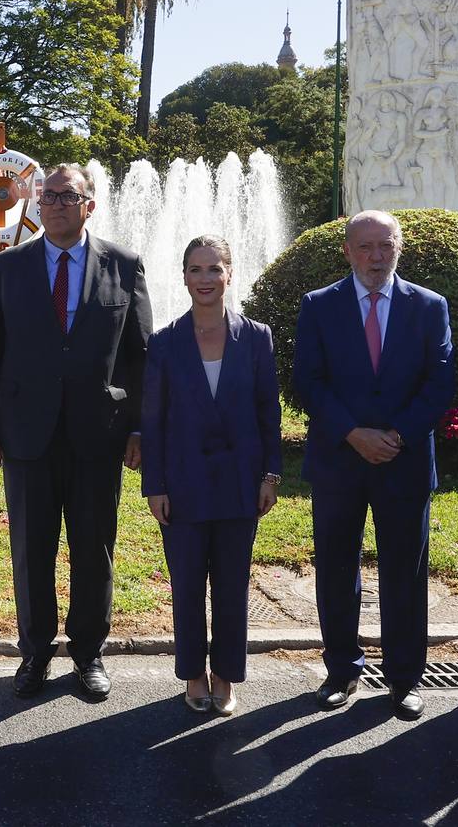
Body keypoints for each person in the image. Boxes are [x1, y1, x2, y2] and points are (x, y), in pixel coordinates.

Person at [0, 163, 151, 700]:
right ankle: (35, 654)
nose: (52, 205)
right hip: (26, 433)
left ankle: (89, 653)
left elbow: (139, 356)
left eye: (65, 197)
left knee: (94, 548)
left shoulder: (125, 265)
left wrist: (140, 428)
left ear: (89, 204)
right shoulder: (10, 267)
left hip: (99, 431)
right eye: (45, 196)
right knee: (31, 548)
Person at [293, 209, 453, 721]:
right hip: (340, 459)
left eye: (385, 245)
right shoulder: (319, 306)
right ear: (347, 251)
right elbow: (308, 381)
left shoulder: (429, 306)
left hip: (403, 462)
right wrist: (353, 433)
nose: (375, 256)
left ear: (399, 248)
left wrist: (397, 435)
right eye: (364, 247)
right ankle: (342, 669)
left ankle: (404, 679)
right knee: (337, 570)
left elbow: (440, 383)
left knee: (404, 572)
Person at [141, 236, 281, 716]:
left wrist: (271, 475)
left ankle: (225, 674)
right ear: (183, 277)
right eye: (196, 270)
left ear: (229, 273)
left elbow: (269, 412)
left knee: (231, 585)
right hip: (182, 485)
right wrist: (154, 484)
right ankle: (194, 676)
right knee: (187, 585)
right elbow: (153, 420)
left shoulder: (257, 336)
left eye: (214, 269)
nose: (205, 279)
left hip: (242, 483)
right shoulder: (163, 342)